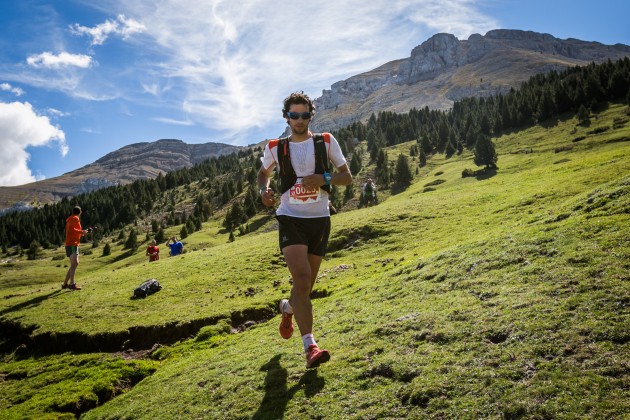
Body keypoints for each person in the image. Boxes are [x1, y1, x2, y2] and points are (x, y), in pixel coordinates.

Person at [257, 91, 352, 368]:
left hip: (320, 219)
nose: (299, 120)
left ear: (311, 115)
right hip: (291, 218)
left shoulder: (325, 142)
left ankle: (287, 308)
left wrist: (323, 178)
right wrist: (264, 191)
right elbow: (263, 174)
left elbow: (346, 176)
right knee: (300, 277)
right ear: (286, 117)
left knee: (304, 289)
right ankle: (310, 347)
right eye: (294, 115)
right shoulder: (276, 146)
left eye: (304, 115)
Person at [62, 206, 89, 290]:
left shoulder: (71, 218)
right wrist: (81, 231)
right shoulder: (75, 218)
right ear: (80, 212)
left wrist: (82, 232)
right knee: (75, 264)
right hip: (72, 244)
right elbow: (72, 229)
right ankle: (72, 284)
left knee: (73, 264)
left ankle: (65, 284)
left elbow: (73, 231)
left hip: (70, 243)